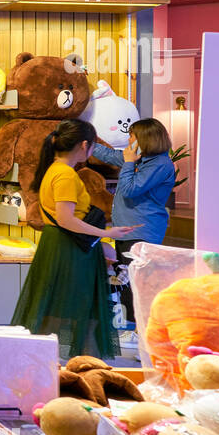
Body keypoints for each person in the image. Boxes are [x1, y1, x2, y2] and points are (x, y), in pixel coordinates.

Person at [11, 119, 139, 359]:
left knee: (56, 306)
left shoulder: (54, 170)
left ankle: (48, 361)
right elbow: (66, 219)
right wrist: (105, 234)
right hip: (69, 249)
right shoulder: (66, 175)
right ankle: (77, 363)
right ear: (84, 145)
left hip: (61, 245)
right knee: (77, 306)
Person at [90, 118, 177, 339]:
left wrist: (128, 163)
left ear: (144, 138)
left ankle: (137, 332)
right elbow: (111, 156)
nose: (128, 140)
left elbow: (130, 189)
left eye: (132, 136)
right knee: (125, 278)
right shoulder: (142, 158)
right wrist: (88, 140)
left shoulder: (160, 164)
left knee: (135, 282)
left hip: (142, 231)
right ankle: (131, 329)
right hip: (127, 229)